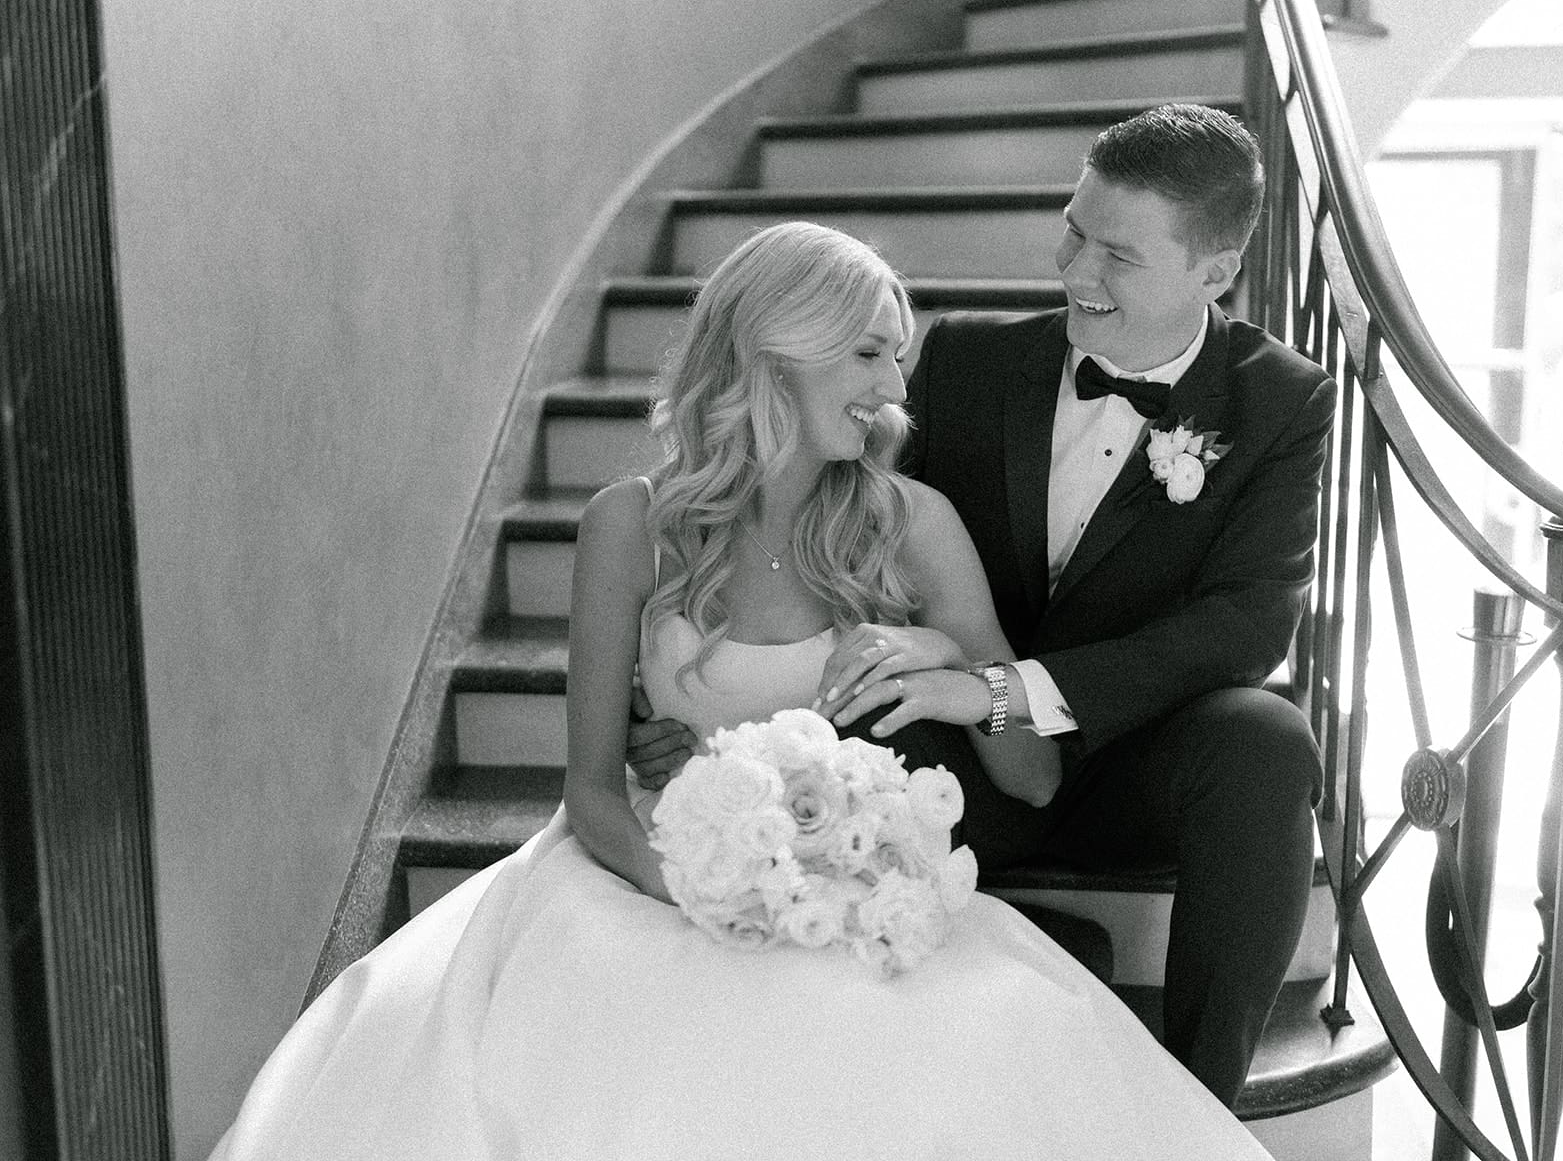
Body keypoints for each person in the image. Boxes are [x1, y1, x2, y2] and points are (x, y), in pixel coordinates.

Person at [208, 221, 1270, 1159]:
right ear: (774, 353)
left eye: (896, 359)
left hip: (847, 890)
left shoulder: (914, 524)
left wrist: (957, 674)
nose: (895, 391)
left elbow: (1032, 780)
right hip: (651, 874)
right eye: (866, 355)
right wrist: (703, 899)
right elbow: (589, 790)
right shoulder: (627, 524)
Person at [824, 104, 1337, 1107]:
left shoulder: (1280, 400)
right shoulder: (966, 359)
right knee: (856, 724)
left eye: (1117, 255)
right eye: (1072, 228)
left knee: (1267, 741)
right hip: (958, 763)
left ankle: (1197, 1114)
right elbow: (867, 547)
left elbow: (1246, 625)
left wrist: (1015, 693)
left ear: (1215, 273)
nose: (1074, 271)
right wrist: (946, 663)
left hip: (1138, 760)